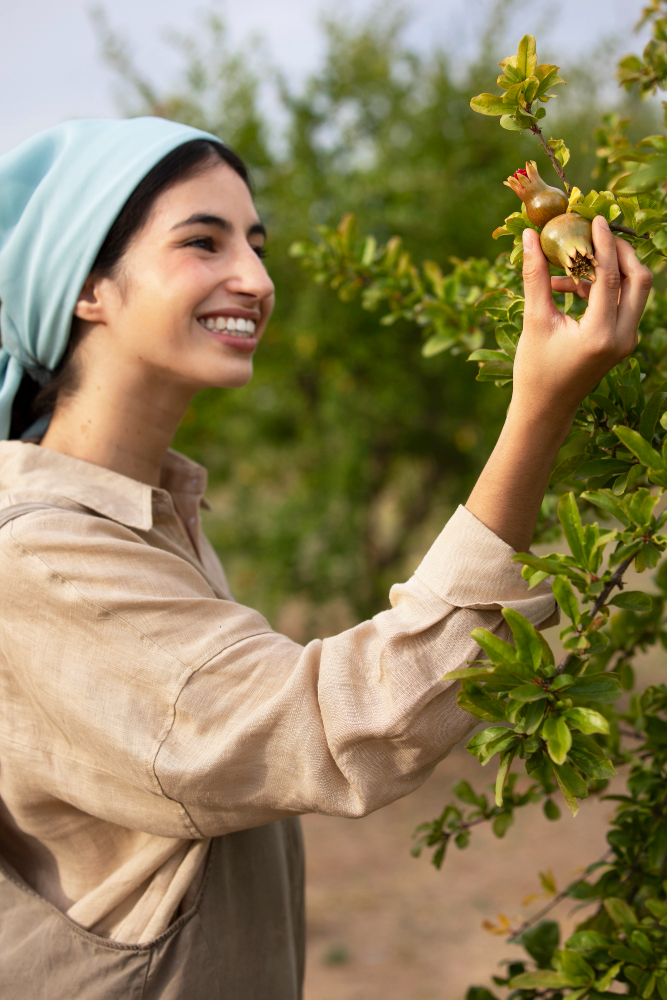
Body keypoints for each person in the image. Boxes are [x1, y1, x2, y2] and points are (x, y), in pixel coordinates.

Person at [0, 117, 651, 999]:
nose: (257, 279)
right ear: (87, 287)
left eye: (256, 245)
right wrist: (537, 412)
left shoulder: (146, 510)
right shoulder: (39, 553)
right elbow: (334, 730)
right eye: (203, 241)